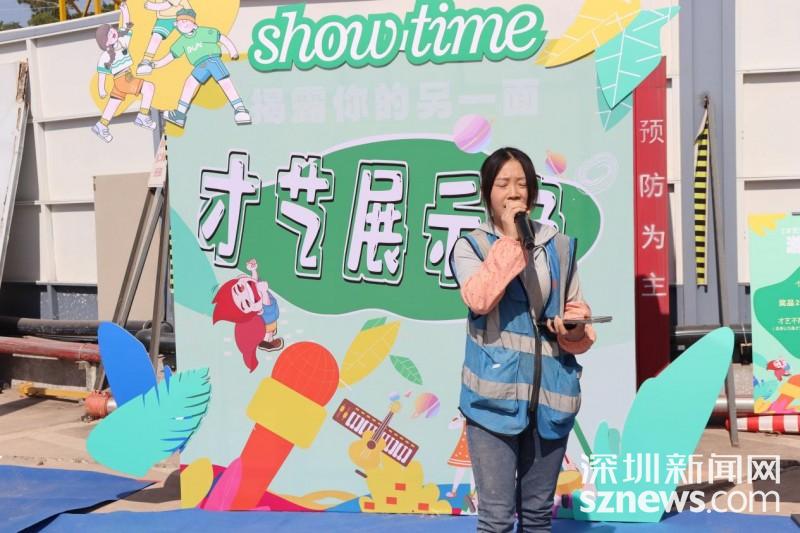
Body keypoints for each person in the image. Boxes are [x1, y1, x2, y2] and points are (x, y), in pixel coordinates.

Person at [449, 147, 596, 532]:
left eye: (521, 184)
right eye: (503, 184)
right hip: (492, 402)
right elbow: (479, 298)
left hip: (552, 399)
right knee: (496, 519)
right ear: (487, 193)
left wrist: (573, 327)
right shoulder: (472, 247)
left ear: (532, 192)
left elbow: (577, 311)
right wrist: (513, 240)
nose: (513, 192)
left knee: (537, 517)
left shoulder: (558, 246)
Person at [151, 8, 251, 128]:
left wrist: (232, 51)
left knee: (225, 82)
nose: (183, 23)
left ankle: (240, 109)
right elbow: (171, 56)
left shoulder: (203, 32)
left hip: (212, 59)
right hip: (200, 65)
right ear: (176, 25)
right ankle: (180, 114)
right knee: (190, 83)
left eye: (186, 21)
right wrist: (155, 64)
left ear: (194, 24)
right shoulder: (181, 41)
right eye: (180, 22)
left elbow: (221, 38)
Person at [92, 1, 157, 143]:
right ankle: (143, 116)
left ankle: (101, 125)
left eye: (112, 30)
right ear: (105, 43)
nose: (113, 33)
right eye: (109, 35)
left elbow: (126, 26)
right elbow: (102, 74)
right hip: (124, 78)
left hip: (122, 79)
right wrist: (101, 89)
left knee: (113, 104)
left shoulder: (122, 42)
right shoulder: (106, 56)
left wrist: (125, 11)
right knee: (149, 88)